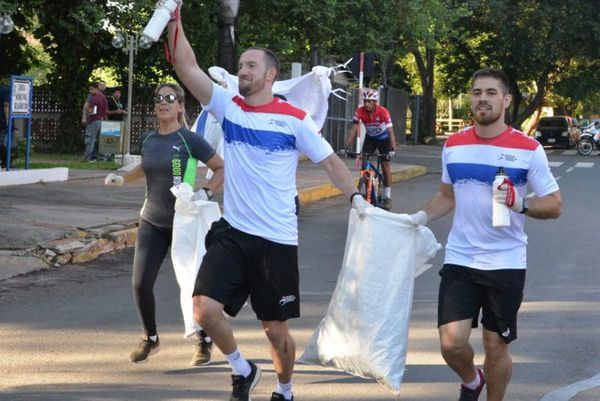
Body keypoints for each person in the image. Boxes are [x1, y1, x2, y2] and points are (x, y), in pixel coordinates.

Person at [164, 1, 371, 400]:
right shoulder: (230, 107)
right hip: (233, 233)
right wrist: (175, 17)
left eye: (251, 66)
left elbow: (329, 161)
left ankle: (286, 390)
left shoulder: (293, 119)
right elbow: (186, 68)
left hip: (276, 239)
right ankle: (242, 370)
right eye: (240, 65)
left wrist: (355, 198)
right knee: (204, 310)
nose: (242, 71)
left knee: (275, 331)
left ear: (271, 75)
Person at [409, 68, 562, 401]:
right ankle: (471, 380)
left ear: (506, 100)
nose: (482, 98)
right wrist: (420, 217)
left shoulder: (528, 149)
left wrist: (519, 204)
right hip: (461, 257)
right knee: (451, 342)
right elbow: (447, 194)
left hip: (505, 261)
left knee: (495, 345)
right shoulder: (454, 144)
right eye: (477, 92)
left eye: (491, 93)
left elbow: (554, 204)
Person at [104, 83, 225, 366]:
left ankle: (204, 340)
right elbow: (145, 166)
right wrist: (123, 178)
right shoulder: (148, 139)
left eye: (170, 98)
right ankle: (150, 338)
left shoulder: (189, 139)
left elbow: (221, 167)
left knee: (193, 284)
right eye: (158, 98)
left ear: (181, 105)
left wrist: (205, 192)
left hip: (184, 222)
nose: (163, 102)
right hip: (152, 220)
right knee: (140, 283)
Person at [345, 88, 397, 210]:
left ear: (375, 102)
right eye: (365, 101)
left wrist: (392, 149)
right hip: (371, 139)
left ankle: (387, 197)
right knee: (364, 161)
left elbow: (391, 132)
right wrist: (346, 146)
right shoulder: (360, 111)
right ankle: (367, 183)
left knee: (385, 165)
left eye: (369, 101)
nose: (366, 104)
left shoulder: (383, 112)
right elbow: (353, 130)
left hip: (384, 140)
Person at [83, 82, 108, 161]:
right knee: (99, 139)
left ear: (96, 89)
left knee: (90, 138)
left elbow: (91, 110)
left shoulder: (94, 98)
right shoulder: (103, 98)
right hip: (101, 120)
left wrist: (86, 109)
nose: (90, 91)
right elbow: (106, 110)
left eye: (92, 89)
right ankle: (104, 156)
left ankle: (87, 157)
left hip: (93, 120)